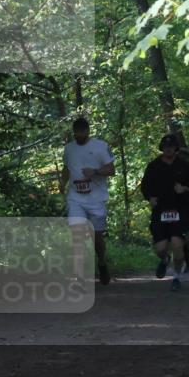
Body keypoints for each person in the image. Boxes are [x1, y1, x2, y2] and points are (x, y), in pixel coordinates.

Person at [140, 134, 189, 291]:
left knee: (178, 247)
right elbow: (144, 186)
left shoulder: (184, 166)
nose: (168, 149)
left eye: (171, 146)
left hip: (180, 210)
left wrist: (184, 189)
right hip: (160, 211)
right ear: (162, 148)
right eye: (166, 147)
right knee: (160, 248)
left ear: (176, 148)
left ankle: (176, 277)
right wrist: (150, 198)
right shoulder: (153, 166)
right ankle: (165, 259)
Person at [60, 118, 115, 285]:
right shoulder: (69, 149)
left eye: (82, 132)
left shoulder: (100, 146)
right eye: (76, 132)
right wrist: (62, 182)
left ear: (88, 131)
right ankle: (80, 275)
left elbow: (111, 169)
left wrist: (96, 171)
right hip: (76, 198)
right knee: (77, 235)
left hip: (96, 199)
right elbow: (66, 168)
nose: (79, 135)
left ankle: (102, 262)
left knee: (96, 238)